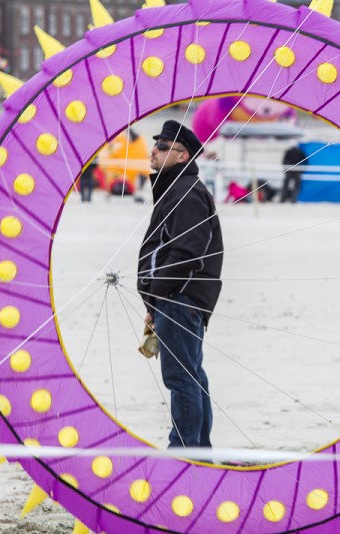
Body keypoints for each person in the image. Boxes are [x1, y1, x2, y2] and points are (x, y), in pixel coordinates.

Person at [137, 120, 223, 449]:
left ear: (182, 155)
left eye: (162, 147)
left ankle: (185, 452)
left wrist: (157, 296)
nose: (153, 151)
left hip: (180, 299)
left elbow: (188, 252)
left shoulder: (187, 192)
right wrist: (153, 304)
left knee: (182, 379)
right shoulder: (178, 189)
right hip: (175, 299)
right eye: (155, 144)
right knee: (192, 377)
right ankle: (198, 450)